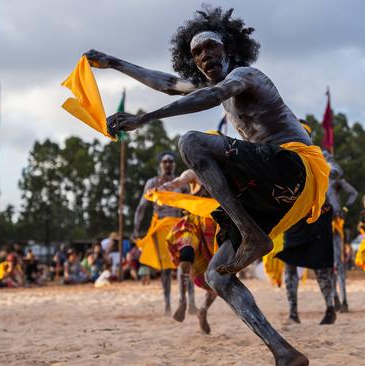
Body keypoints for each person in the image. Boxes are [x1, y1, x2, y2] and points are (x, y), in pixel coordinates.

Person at [84, 6, 330, 364]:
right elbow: (168, 84)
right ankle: (284, 352)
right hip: (277, 191)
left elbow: (209, 97)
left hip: (294, 166)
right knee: (217, 275)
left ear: (228, 49)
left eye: (209, 47)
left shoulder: (246, 75)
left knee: (192, 142)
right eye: (196, 53)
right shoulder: (220, 85)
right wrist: (114, 61)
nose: (203, 56)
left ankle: (252, 234)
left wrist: (143, 118)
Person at [130, 151, 195, 316]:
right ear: (160, 164)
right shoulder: (152, 183)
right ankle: (167, 304)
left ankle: (191, 301)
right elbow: (141, 207)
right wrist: (136, 229)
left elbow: (191, 205)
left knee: (186, 263)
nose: (168, 164)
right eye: (165, 161)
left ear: (174, 165)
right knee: (166, 269)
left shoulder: (182, 183)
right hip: (160, 227)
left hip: (178, 226)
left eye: (171, 162)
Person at [162, 170, 219, 333]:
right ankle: (182, 300)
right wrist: (165, 188)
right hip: (194, 223)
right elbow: (177, 182)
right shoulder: (193, 173)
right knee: (186, 255)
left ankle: (203, 311)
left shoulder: (222, 171)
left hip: (216, 226)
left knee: (219, 279)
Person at [323, 150, 357, 313]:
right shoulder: (314, 179)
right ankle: (334, 298)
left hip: (335, 223)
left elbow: (353, 193)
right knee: (326, 263)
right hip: (321, 224)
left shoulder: (334, 178)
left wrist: (345, 207)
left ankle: (344, 300)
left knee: (338, 263)